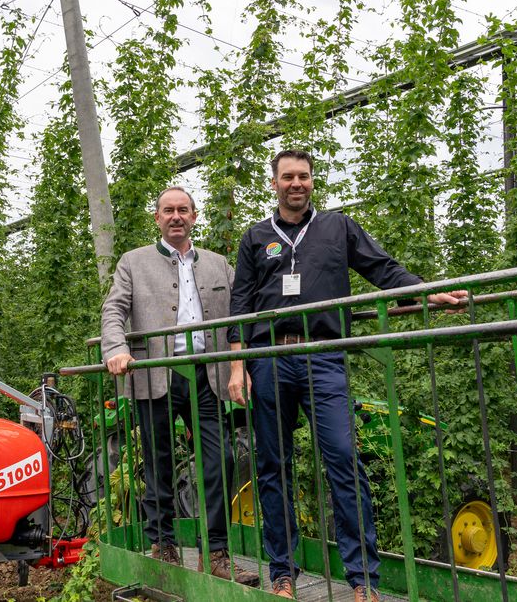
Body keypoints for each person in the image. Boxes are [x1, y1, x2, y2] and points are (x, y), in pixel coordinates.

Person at [226, 150, 465, 601]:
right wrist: (238, 367)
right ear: (273, 183)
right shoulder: (256, 237)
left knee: (342, 460)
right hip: (269, 358)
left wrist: (429, 293)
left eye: (304, 177)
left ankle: (362, 581)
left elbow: (383, 269)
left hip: (325, 357)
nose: (296, 184)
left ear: (313, 182)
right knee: (273, 466)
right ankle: (282, 571)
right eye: (287, 177)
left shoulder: (338, 227)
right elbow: (240, 304)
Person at [101, 186, 259, 587]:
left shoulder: (219, 264)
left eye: (183, 210)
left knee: (220, 457)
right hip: (155, 374)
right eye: (168, 210)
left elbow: (243, 309)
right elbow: (114, 309)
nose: (176, 216)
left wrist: (242, 362)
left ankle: (217, 553)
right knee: (158, 460)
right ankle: (164, 544)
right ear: (157, 218)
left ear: (194, 217)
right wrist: (116, 348)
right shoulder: (133, 262)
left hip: (206, 374)